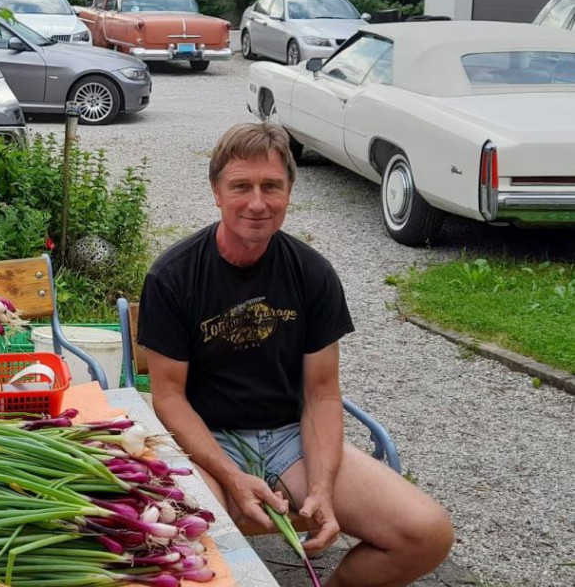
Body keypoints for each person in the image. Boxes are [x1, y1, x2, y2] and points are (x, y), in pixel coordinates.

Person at [138, 122, 453, 587]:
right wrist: (230, 474)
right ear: (216, 192)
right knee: (187, 549)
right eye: (241, 186)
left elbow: (322, 394)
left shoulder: (312, 273)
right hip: (207, 442)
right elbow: (168, 396)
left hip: (291, 439)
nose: (257, 202)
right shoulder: (173, 275)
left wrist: (323, 488)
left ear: (289, 191)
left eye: (272, 186)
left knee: (426, 534)